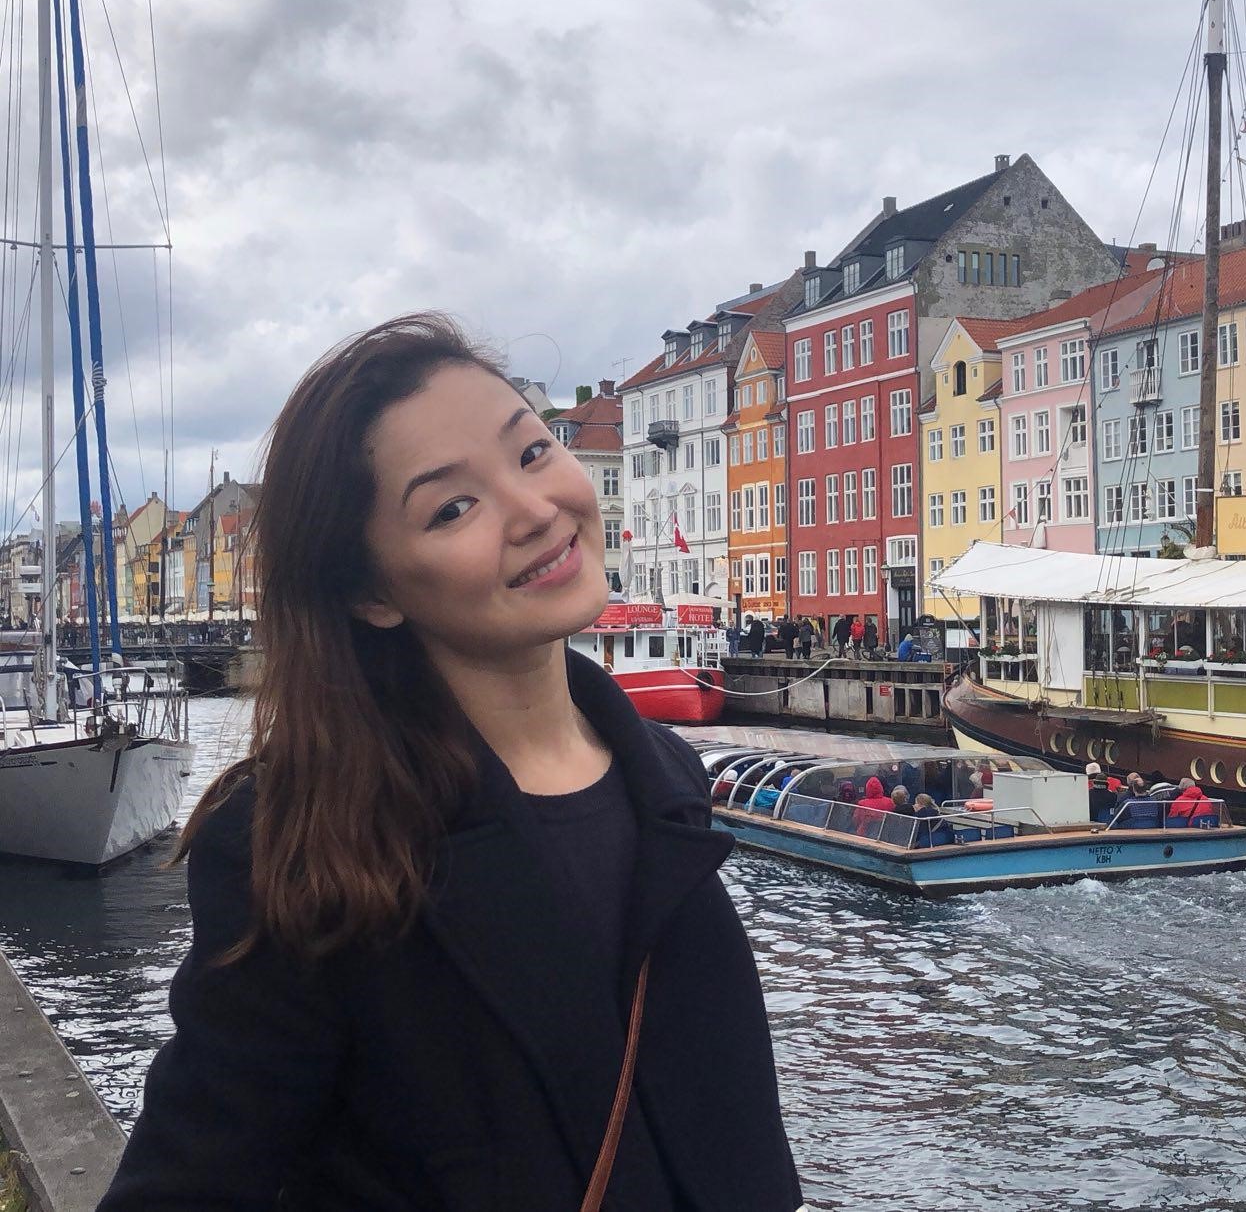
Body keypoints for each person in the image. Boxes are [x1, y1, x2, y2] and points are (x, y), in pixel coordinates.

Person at [98, 313, 804, 1212]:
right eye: (453, 507)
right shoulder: (308, 837)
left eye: (533, 452)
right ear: (370, 591)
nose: (536, 510)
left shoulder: (663, 778)